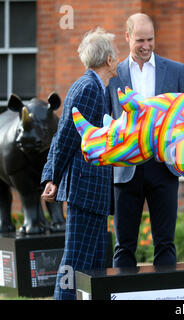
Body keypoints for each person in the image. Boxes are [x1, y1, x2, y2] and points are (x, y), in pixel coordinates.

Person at [107, 13, 184, 268]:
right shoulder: (113, 74)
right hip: (125, 170)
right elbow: (107, 120)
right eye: (140, 40)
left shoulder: (176, 71)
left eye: (150, 39)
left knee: (165, 242)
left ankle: (169, 297)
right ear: (127, 37)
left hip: (163, 166)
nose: (146, 46)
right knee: (124, 246)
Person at [41, 27, 119, 300]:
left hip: (94, 194)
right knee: (74, 264)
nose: (118, 59)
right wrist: (52, 178)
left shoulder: (94, 86)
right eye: (115, 55)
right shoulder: (87, 88)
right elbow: (65, 138)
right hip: (84, 192)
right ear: (108, 60)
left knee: (94, 266)